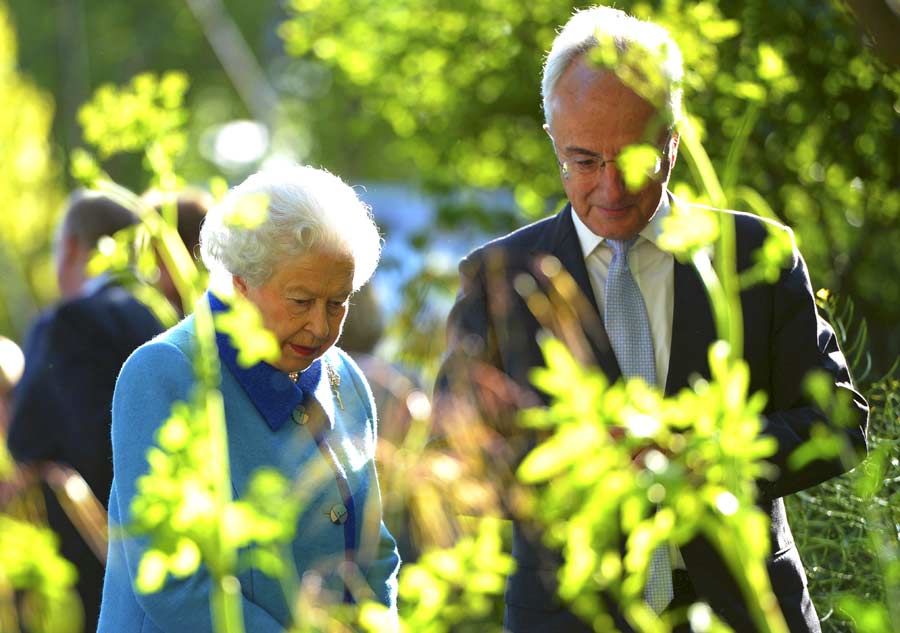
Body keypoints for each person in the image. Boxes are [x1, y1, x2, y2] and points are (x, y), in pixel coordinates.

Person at [436, 6, 869, 633]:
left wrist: (707, 459)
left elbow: (840, 421)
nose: (610, 188)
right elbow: (457, 458)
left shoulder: (756, 256)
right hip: (568, 615)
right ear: (553, 138)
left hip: (744, 609)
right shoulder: (496, 276)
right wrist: (577, 471)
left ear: (673, 135)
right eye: (584, 162)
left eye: (634, 159)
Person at [98, 165, 401, 630]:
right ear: (241, 281)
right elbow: (175, 585)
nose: (321, 326)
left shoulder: (346, 378)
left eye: (337, 301)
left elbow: (373, 550)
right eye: (301, 300)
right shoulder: (163, 373)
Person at [6, 191, 165, 629]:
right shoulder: (160, 315)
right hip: (159, 538)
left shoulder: (68, 323)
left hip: (85, 543)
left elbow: (26, 437)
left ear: (73, 247)